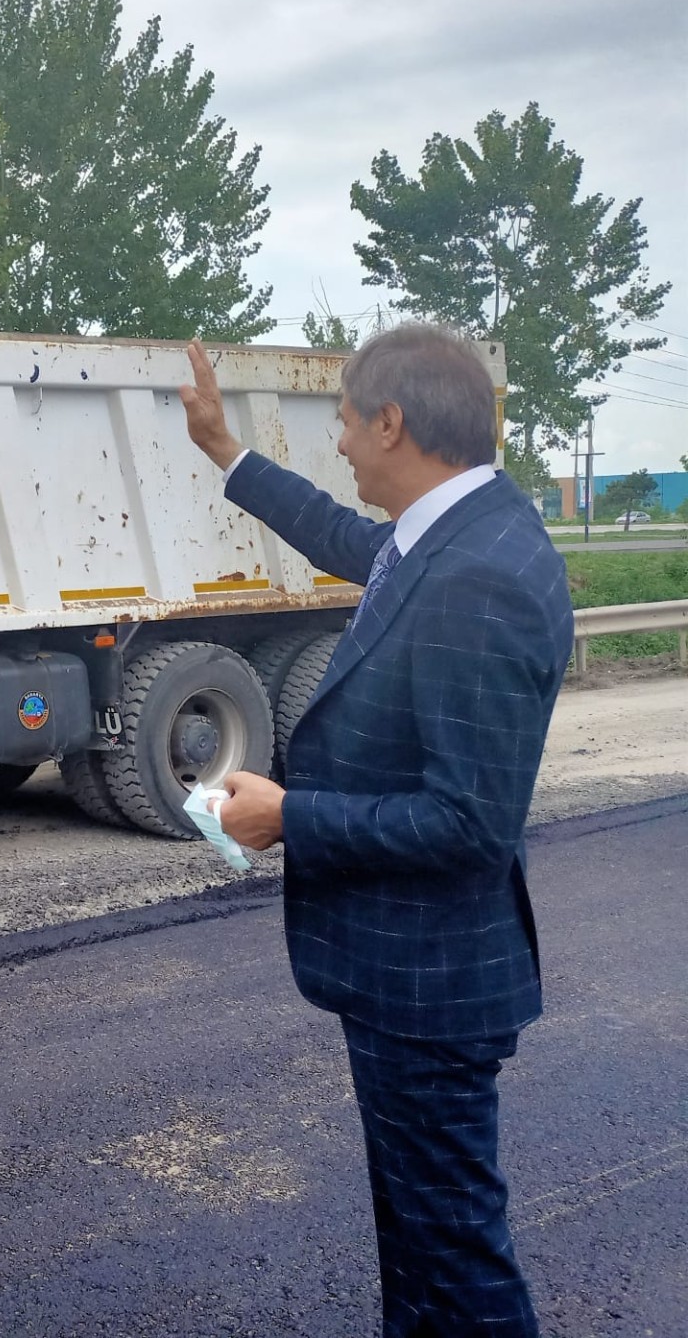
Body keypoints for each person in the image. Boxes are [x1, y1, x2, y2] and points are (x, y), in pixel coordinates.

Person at [179, 325, 571, 1337]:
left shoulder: (477, 572)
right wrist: (226, 451)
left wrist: (288, 816)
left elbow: (469, 822)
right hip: (414, 977)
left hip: (432, 986)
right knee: (422, 1246)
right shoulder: (443, 535)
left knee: (455, 1262)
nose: (342, 446)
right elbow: (338, 535)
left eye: (347, 425)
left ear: (392, 422)